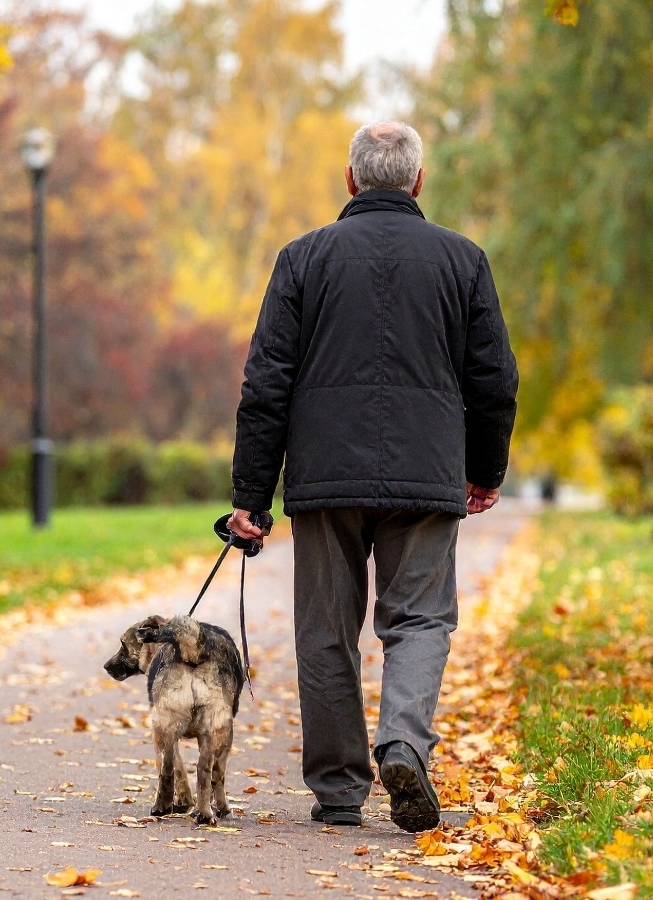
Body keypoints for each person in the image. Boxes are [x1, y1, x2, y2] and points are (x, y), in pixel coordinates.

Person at [228, 121, 518, 832]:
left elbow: (266, 382)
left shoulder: (302, 258)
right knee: (419, 619)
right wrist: (483, 469)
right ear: (417, 180)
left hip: (324, 476)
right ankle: (403, 744)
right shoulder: (462, 259)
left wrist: (251, 498)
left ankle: (338, 790)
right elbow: (493, 379)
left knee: (325, 629)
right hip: (426, 473)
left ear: (351, 179)